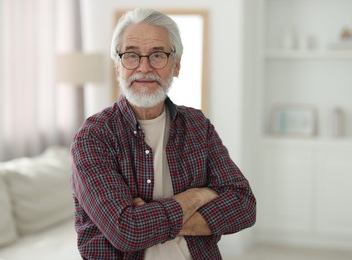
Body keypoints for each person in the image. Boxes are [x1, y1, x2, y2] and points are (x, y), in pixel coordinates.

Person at [70, 8, 256, 259]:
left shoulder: (197, 125)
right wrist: (196, 196)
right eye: (132, 55)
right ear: (118, 67)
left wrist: (147, 220)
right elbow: (126, 232)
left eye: (157, 55)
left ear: (176, 65)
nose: (144, 67)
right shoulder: (94, 136)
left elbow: (244, 205)